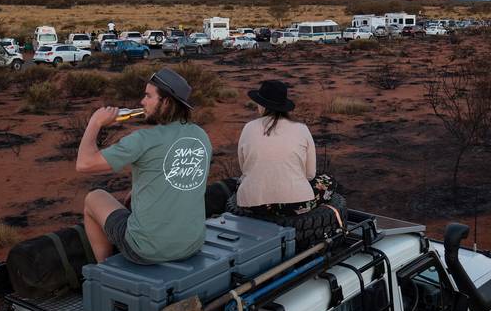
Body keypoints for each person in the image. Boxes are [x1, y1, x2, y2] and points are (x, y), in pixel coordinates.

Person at [76, 68, 212, 264]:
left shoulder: (143, 140)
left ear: (165, 102)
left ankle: (105, 267)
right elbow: (175, 172)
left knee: (93, 198)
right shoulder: (201, 136)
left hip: (146, 249)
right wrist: (138, 189)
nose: (142, 102)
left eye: (148, 96)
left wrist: (94, 123)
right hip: (192, 244)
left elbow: (84, 164)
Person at [235, 80, 317, 214]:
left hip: (251, 203)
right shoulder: (302, 129)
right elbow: (310, 174)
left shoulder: (248, 128)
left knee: (241, 182)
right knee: (327, 182)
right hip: (296, 203)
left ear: (262, 105)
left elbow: (244, 168)